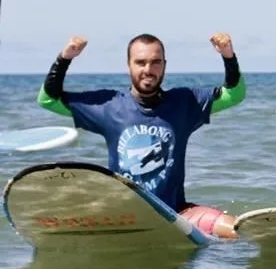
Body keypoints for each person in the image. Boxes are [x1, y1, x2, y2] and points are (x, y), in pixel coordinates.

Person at [37, 33, 247, 239]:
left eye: (155, 62)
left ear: (164, 65)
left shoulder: (185, 102)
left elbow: (233, 95)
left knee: (239, 231)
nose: (148, 70)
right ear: (129, 65)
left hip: (176, 215)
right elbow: (48, 100)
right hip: (123, 216)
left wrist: (228, 55)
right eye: (140, 62)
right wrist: (65, 58)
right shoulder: (109, 106)